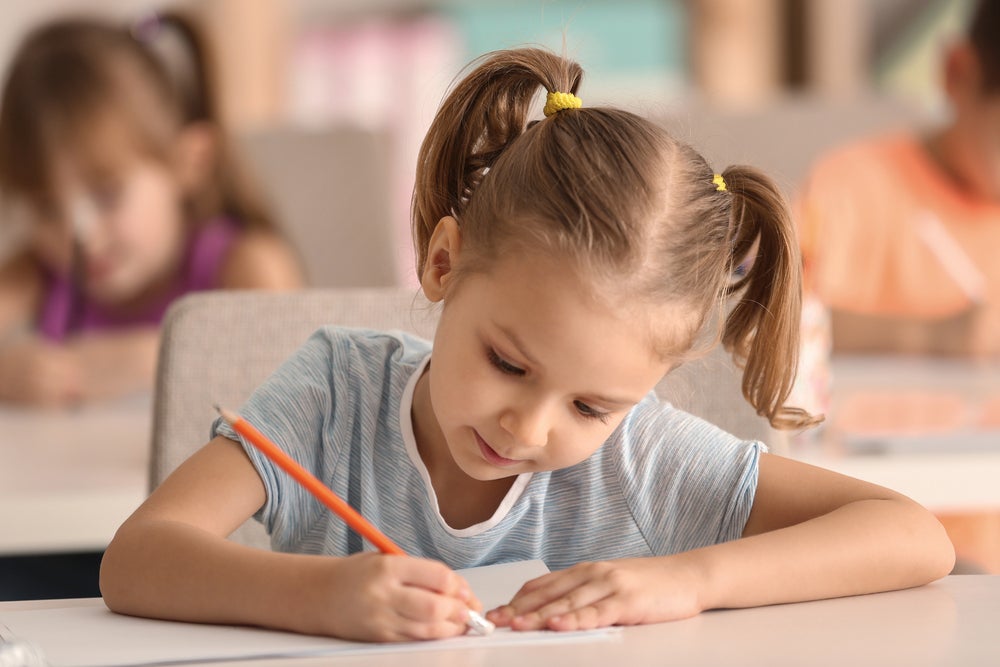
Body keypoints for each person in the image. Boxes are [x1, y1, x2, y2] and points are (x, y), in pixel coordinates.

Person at [100, 48, 954, 642]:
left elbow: (913, 535)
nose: (532, 426)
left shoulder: (637, 456)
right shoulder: (335, 391)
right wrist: (321, 595)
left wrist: (690, 579)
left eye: (590, 404)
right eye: (509, 362)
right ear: (443, 263)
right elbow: (137, 559)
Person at [0, 11, 304, 407]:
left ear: (189, 163)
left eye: (108, 194)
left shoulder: (247, 265)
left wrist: (159, 357)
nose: (81, 236)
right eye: (47, 209)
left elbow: (301, 381)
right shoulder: (37, 273)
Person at [795, 0, 1000, 573]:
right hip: (913, 545)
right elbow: (773, 320)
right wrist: (932, 334)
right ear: (960, 74)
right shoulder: (853, 187)